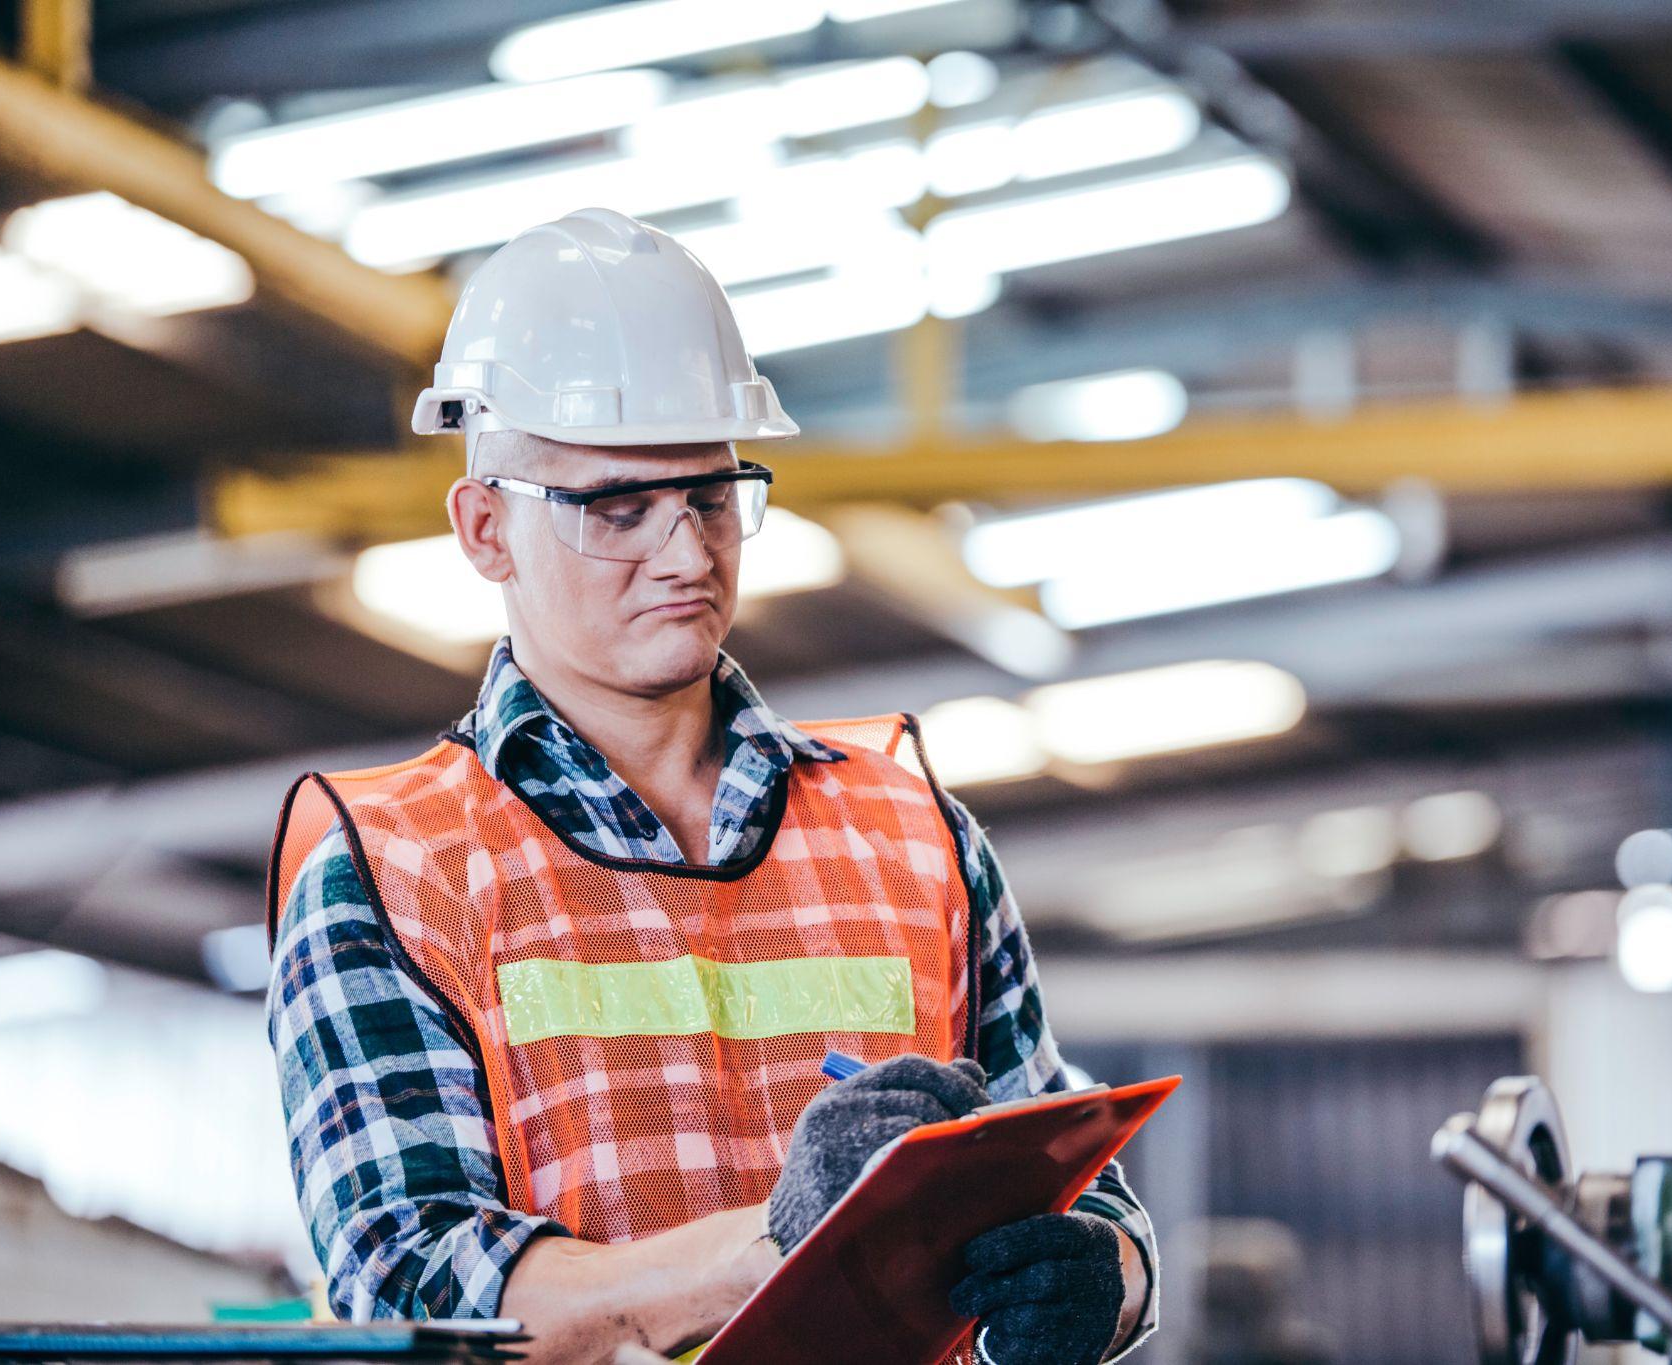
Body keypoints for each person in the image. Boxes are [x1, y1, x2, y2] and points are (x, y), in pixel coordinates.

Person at [266, 208, 1157, 1365]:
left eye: (711, 496)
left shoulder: (914, 838)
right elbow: (412, 1293)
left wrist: (1107, 1283)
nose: (686, 555)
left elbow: (1080, 1189)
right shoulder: (393, 871)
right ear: (485, 528)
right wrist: (781, 1243)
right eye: (617, 510)